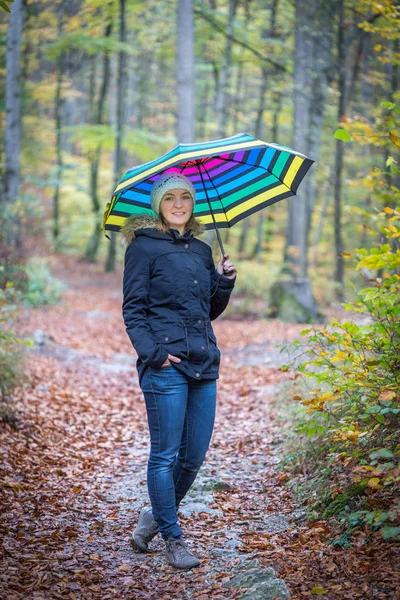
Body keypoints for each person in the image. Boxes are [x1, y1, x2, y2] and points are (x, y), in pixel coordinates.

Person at [121, 172, 237, 570]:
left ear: (192, 204)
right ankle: (173, 538)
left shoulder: (202, 251)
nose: (177, 204)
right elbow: (133, 311)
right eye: (169, 198)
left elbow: (207, 312)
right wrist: (153, 354)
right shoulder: (142, 249)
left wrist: (223, 283)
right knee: (166, 455)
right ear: (158, 205)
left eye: (184, 197)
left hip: (204, 361)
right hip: (166, 365)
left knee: (193, 458)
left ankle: (153, 517)